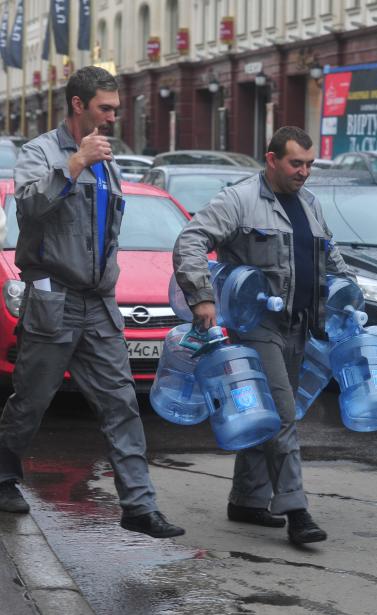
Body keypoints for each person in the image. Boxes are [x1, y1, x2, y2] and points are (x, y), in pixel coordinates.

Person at [0, 66, 184, 539]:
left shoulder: (108, 160)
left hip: (100, 302)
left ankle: (139, 506)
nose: (112, 118)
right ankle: (2, 474)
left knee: (121, 403)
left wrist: (111, 282)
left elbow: (107, 232)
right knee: (33, 400)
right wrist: (75, 163)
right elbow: (29, 206)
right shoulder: (41, 152)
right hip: (53, 300)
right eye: (105, 108)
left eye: (116, 110)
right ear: (79, 105)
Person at [173, 126, 352, 545]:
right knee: (283, 415)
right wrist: (201, 297)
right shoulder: (239, 200)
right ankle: (297, 510)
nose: (304, 172)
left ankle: (248, 500)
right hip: (256, 328)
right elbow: (190, 240)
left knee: (268, 416)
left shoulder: (308, 203)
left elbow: (330, 256)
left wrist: (349, 292)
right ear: (271, 160)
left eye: (309, 164)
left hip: (300, 326)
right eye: (296, 163)